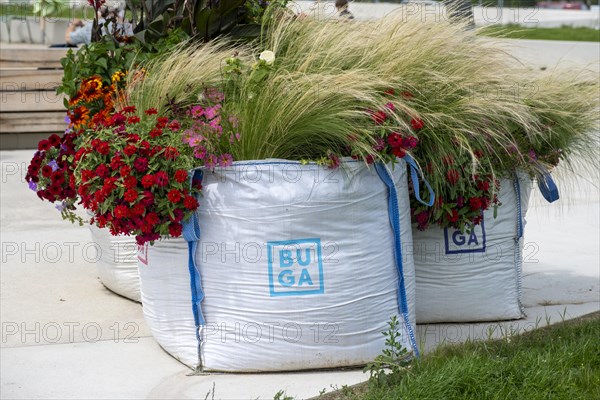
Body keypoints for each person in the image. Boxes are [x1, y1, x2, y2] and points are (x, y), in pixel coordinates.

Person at [64, 2, 132, 46]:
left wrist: (72, 24)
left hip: (98, 66)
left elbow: (68, 38)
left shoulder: (90, 27)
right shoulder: (128, 27)